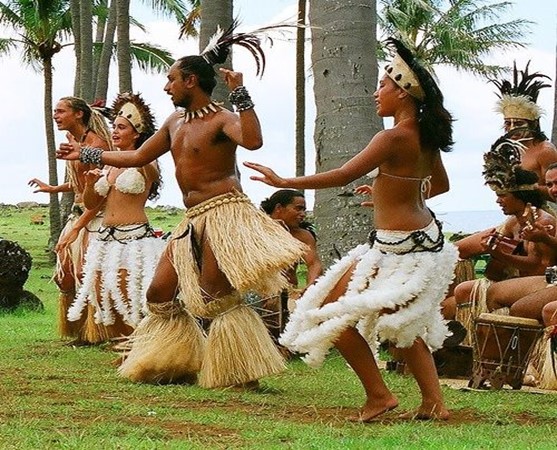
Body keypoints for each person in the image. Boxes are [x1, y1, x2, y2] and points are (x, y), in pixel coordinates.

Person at [57, 25, 306, 389]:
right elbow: (139, 155)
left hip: (224, 213)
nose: (166, 86)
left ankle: (241, 373)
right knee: (159, 293)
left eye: (171, 79)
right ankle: (175, 362)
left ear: (191, 81)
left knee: (216, 296)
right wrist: (87, 152)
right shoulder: (175, 122)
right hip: (191, 218)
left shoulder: (222, 118)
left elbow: (253, 140)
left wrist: (240, 93)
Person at [245, 38, 458, 421]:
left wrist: (283, 178)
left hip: (398, 249)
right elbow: (437, 186)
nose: (376, 93)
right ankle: (434, 403)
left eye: (383, 86)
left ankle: (380, 396)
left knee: (331, 313)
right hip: (421, 240)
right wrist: (385, 192)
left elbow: (343, 174)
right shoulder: (425, 138)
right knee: (401, 324)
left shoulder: (391, 137)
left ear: (404, 93)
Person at [66, 93, 166, 344]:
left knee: (130, 295)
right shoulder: (110, 166)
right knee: (103, 296)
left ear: (137, 134)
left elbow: (148, 166)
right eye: (114, 127)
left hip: (134, 238)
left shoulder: (145, 162)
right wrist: (90, 184)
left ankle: (138, 347)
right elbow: (92, 204)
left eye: (121, 128)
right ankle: (122, 346)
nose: (115, 132)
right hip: (105, 239)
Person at [443, 138, 557, 322]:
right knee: (460, 292)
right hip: (519, 283)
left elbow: (540, 267)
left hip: (541, 284)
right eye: (549, 184)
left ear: (520, 196)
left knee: (475, 294)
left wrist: (500, 254)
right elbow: (492, 273)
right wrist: (494, 251)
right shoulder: (513, 223)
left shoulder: (543, 221)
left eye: (503, 196)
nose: (498, 201)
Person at [29, 96, 113, 342]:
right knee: (65, 275)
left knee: (84, 274)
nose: (56, 116)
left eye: (60, 111)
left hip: (94, 215)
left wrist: (78, 228)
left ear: (78, 114)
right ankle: (77, 328)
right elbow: (81, 183)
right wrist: (54, 189)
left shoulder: (96, 145)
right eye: (54, 111)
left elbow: (100, 191)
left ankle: (95, 332)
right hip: (78, 213)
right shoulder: (74, 141)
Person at [491, 61, 557, 201]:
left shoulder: (545, 150)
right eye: (508, 123)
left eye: (519, 123)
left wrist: (525, 186)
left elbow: (554, 191)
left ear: (532, 124)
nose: (513, 128)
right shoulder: (507, 150)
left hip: (544, 211)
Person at [260, 189, 323, 289]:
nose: (303, 214)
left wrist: (310, 287)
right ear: (278, 208)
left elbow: (314, 264)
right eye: (298, 209)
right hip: (255, 294)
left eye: (304, 210)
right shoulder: (256, 232)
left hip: (289, 293)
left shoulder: (303, 236)